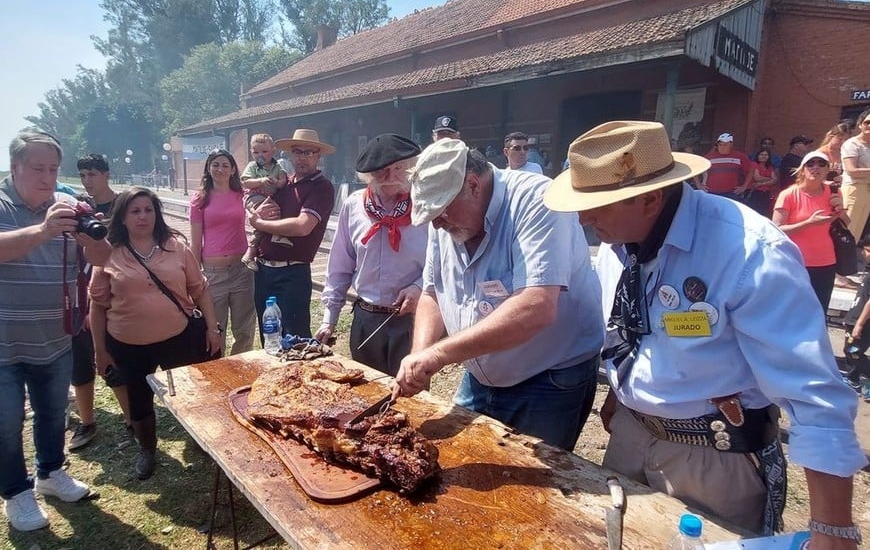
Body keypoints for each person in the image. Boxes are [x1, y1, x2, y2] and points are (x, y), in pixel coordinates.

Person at [544, 120, 865, 543]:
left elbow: (816, 397)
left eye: (598, 205)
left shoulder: (749, 252)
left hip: (714, 458)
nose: (584, 218)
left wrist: (832, 527)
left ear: (650, 199)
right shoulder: (617, 243)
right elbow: (633, 326)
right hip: (630, 437)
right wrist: (621, 396)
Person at [392, 140, 604, 451]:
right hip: (479, 374)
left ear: (473, 184)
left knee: (533, 486)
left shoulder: (536, 199)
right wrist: (419, 356)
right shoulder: (448, 222)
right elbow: (432, 292)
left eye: (440, 211)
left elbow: (536, 306)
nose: (436, 223)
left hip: (547, 380)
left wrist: (437, 355)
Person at [1, 131, 109, 532]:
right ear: (15, 168)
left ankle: (50, 473)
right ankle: (16, 492)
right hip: (4, 341)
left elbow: (102, 257)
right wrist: (44, 232)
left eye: (52, 169)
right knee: (6, 423)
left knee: (52, 414)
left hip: (54, 336)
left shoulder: (67, 207)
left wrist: (87, 234)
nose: (47, 178)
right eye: (37, 168)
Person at [89, 188, 222, 480]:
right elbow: (97, 306)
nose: (143, 216)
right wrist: (100, 350)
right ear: (122, 217)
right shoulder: (108, 254)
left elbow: (200, 290)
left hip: (177, 337)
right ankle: (147, 449)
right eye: (135, 211)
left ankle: (200, 438)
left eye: (148, 210)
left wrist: (212, 328)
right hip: (128, 344)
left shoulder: (175, 247)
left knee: (189, 392)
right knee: (139, 401)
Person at [315, 134, 427, 376]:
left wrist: (419, 287)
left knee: (411, 397)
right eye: (381, 171)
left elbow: (442, 264)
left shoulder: (425, 206)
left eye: (398, 168)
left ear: (410, 169)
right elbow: (339, 266)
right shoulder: (354, 205)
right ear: (368, 175)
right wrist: (329, 319)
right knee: (366, 394)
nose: (390, 177)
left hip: (411, 319)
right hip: (366, 318)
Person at [67, 154, 131, 451]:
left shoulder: (124, 205)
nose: (87, 180)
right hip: (80, 290)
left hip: (116, 288)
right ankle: (87, 421)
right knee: (80, 356)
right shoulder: (78, 208)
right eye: (83, 175)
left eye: (92, 174)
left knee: (112, 355)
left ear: (106, 174)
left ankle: (132, 419)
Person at [250, 129, 336, 338]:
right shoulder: (282, 182)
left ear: (318, 156)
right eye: (298, 152)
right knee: (269, 337)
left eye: (309, 153)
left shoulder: (321, 187)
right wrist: (254, 213)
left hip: (292, 275)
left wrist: (260, 223)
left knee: (294, 339)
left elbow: (302, 226)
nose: (302, 158)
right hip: (264, 272)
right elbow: (253, 202)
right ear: (290, 154)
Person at [189, 149, 256, 355]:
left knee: (244, 329)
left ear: (233, 169)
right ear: (208, 168)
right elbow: (195, 243)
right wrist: (194, 276)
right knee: (216, 329)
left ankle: (242, 371)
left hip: (241, 271)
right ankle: (219, 373)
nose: (220, 169)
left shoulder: (242, 195)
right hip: (213, 273)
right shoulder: (200, 199)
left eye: (225, 165)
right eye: (215, 164)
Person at [773, 151, 846, 311]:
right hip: (794, 262)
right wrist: (808, 223)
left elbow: (846, 223)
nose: (815, 167)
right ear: (802, 169)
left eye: (821, 164)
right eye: (810, 164)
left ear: (828, 170)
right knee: (791, 310)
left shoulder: (834, 191)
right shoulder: (788, 195)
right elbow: (776, 231)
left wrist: (841, 210)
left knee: (819, 311)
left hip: (826, 262)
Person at [240, 133, 289, 271]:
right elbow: (245, 182)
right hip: (254, 197)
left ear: (273, 151)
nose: (260, 155)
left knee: (269, 217)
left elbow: (282, 181)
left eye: (264, 151)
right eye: (256, 152)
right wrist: (260, 181)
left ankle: (251, 252)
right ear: (251, 153)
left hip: (268, 198)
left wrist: (278, 182)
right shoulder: (252, 166)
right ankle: (275, 236)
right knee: (267, 213)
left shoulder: (277, 167)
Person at [842, 234, 870, 398]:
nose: (864, 254)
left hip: (861, 321)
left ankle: (856, 380)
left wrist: (859, 324)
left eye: (867, 250)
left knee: (853, 350)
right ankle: (853, 379)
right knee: (852, 350)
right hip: (854, 318)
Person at [842, 107, 870, 240]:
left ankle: (848, 259)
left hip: (867, 192)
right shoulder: (852, 144)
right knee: (847, 230)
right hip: (854, 190)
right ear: (860, 125)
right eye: (867, 122)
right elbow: (851, 170)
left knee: (856, 234)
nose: (869, 125)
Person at [696, 132, 753, 198]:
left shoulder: (740, 156)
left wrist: (744, 186)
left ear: (731, 144)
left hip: (731, 193)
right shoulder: (709, 157)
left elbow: (751, 170)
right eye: (720, 145)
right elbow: (695, 168)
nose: (722, 147)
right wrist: (698, 185)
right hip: (711, 192)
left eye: (725, 144)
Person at [740, 148, 779, 217]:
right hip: (754, 193)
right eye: (761, 154)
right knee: (753, 213)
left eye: (766, 155)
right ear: (757, 156)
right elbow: (757, 178)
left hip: (765, 193)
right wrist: (770, 179)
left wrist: (762, 183)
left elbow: (775, 180)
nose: (763, 156)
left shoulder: (770, 167)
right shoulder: (754, 164)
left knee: (763, 213)